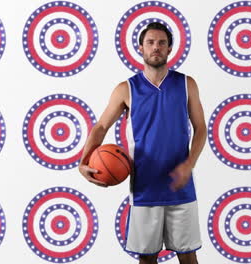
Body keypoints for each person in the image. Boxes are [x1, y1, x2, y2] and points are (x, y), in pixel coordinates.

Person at [79, 22, 206, 264]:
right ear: (140, 48)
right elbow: (101, 127)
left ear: (170, 49)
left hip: (181, 188)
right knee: (147, 259)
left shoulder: (187, 84)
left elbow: (201, 129)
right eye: (150, 42)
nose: (156, 47)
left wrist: (189, 164)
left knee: (188, 257)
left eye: (161, 43)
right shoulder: (126, 89)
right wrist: (83, 162)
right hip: (145, 187)